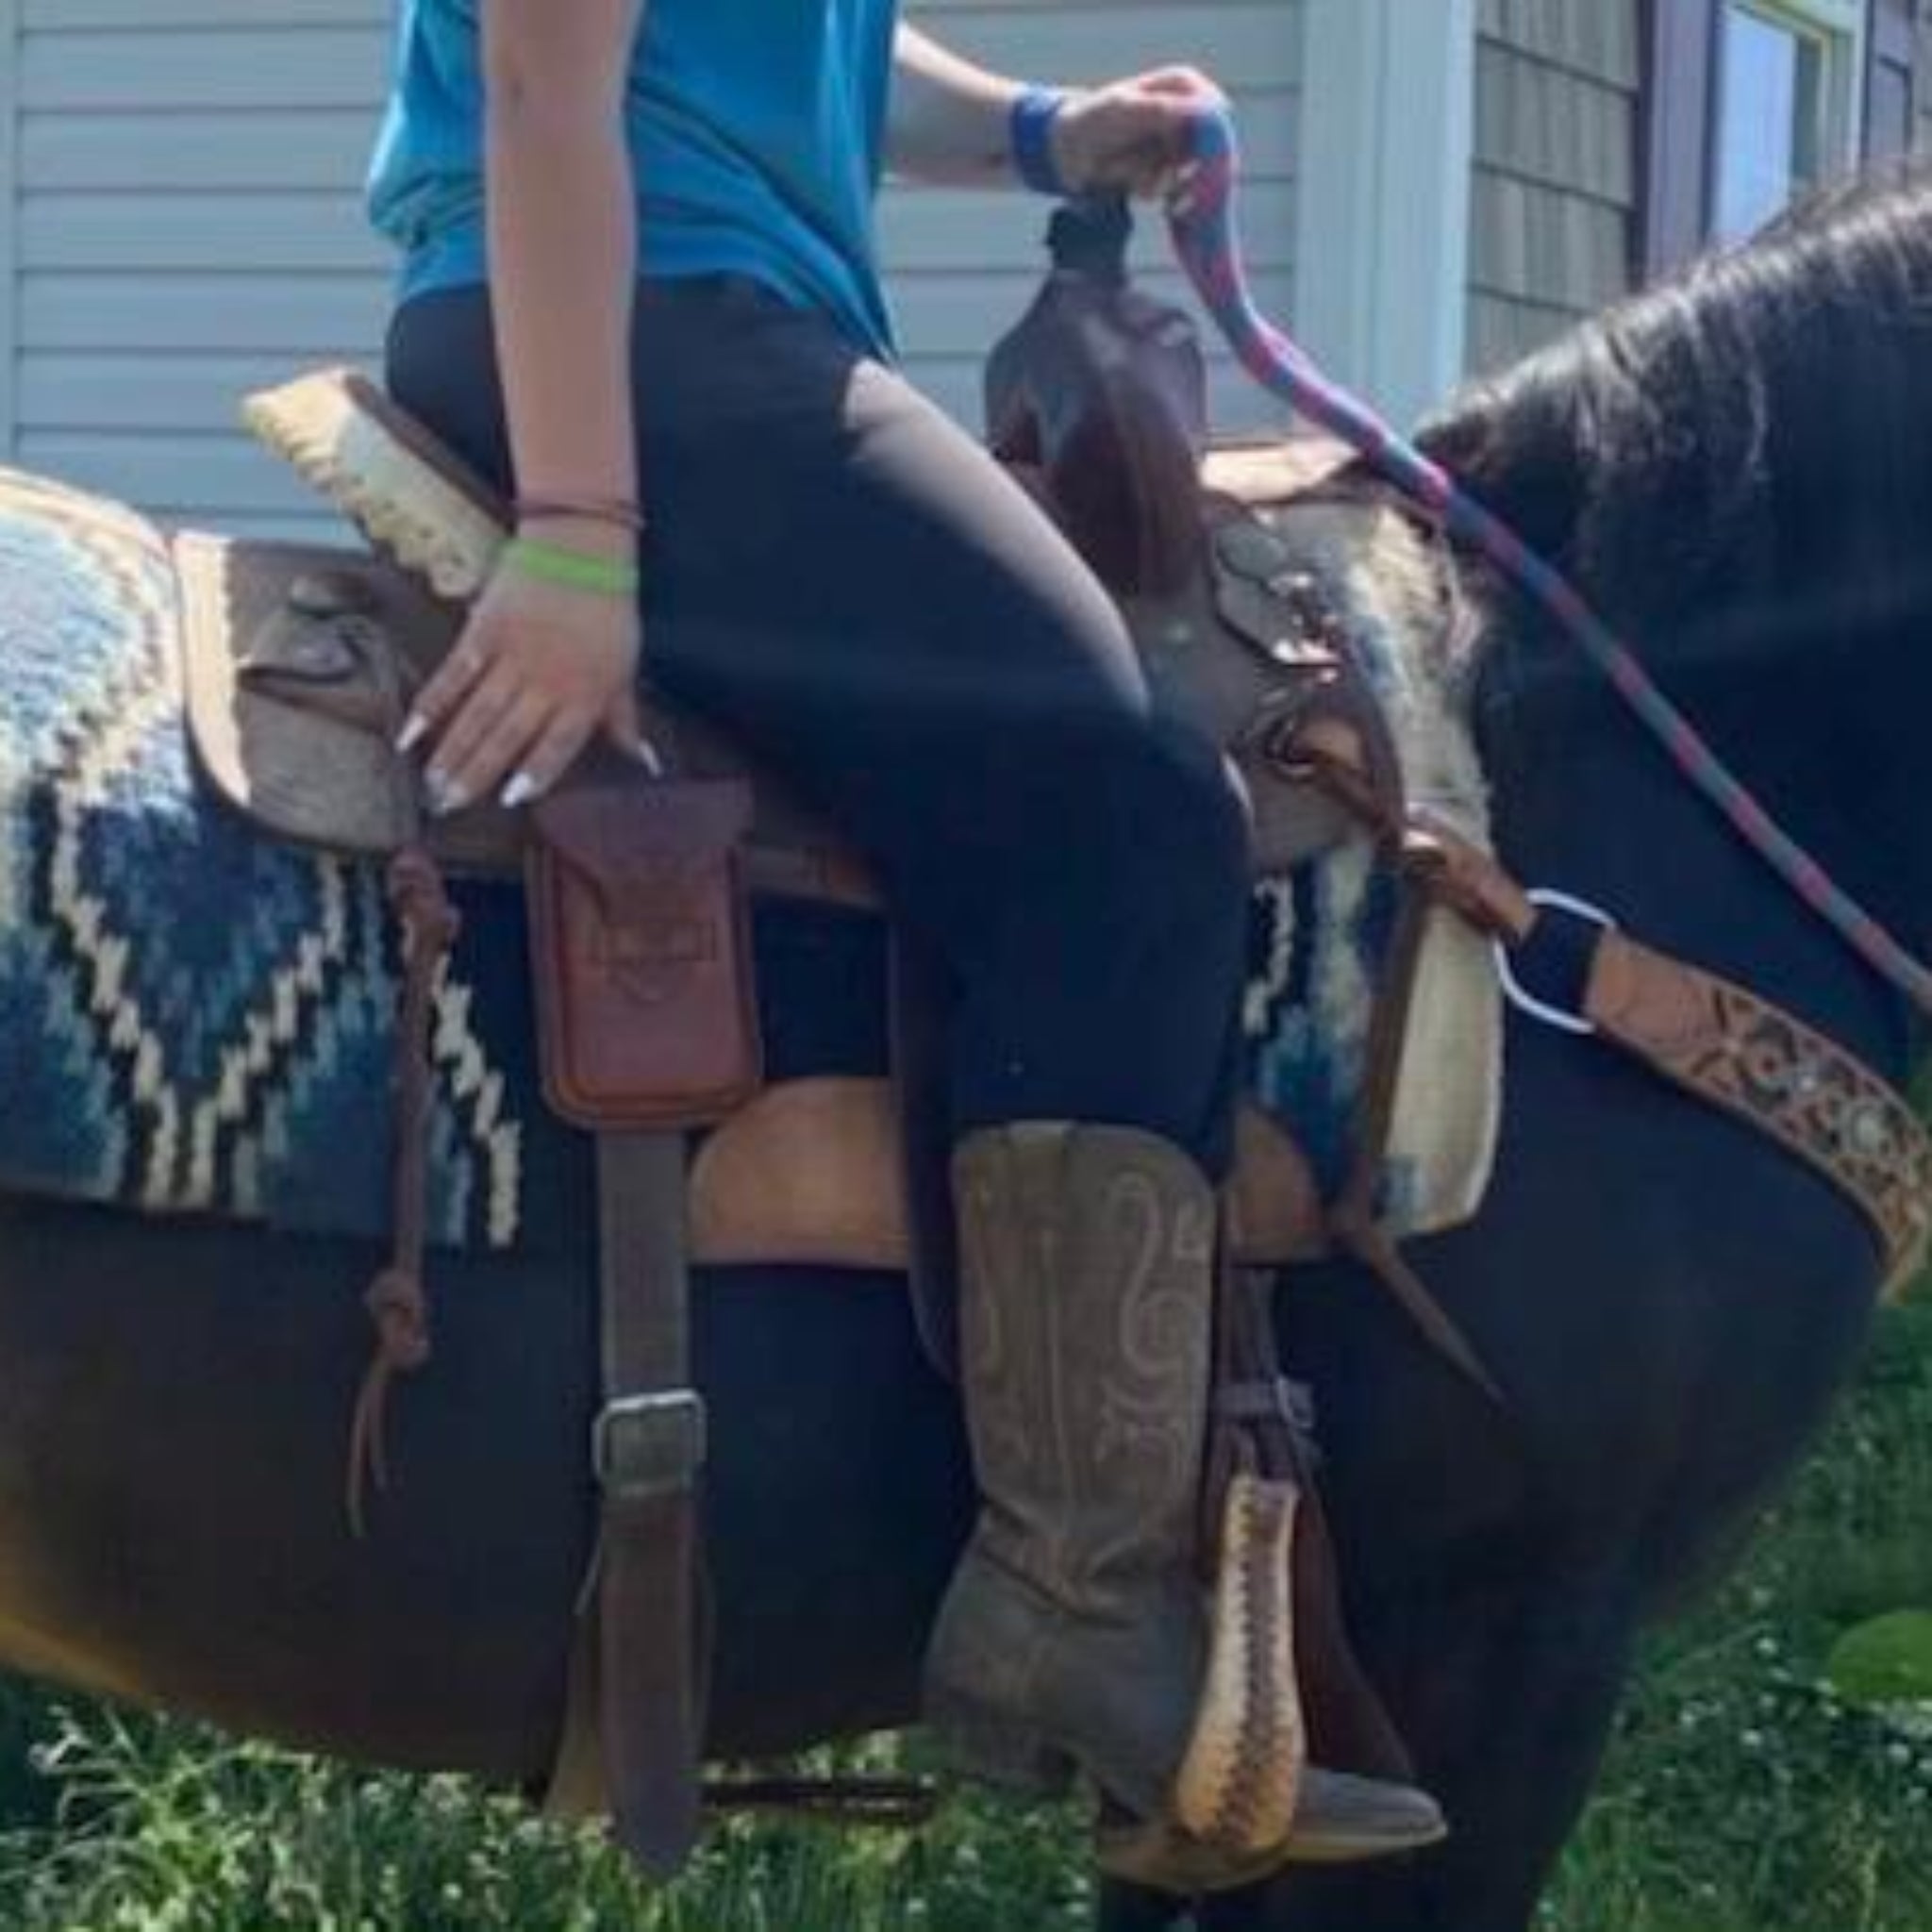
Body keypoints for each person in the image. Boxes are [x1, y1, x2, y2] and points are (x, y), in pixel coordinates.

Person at [366, 0, 1442, 1885]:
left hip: (686, 322)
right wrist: (581, 530)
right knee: (1130, 818)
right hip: (649, 332)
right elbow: (548, 76)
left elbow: (805, 57)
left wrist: (1044, 132)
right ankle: (1074, 1591)